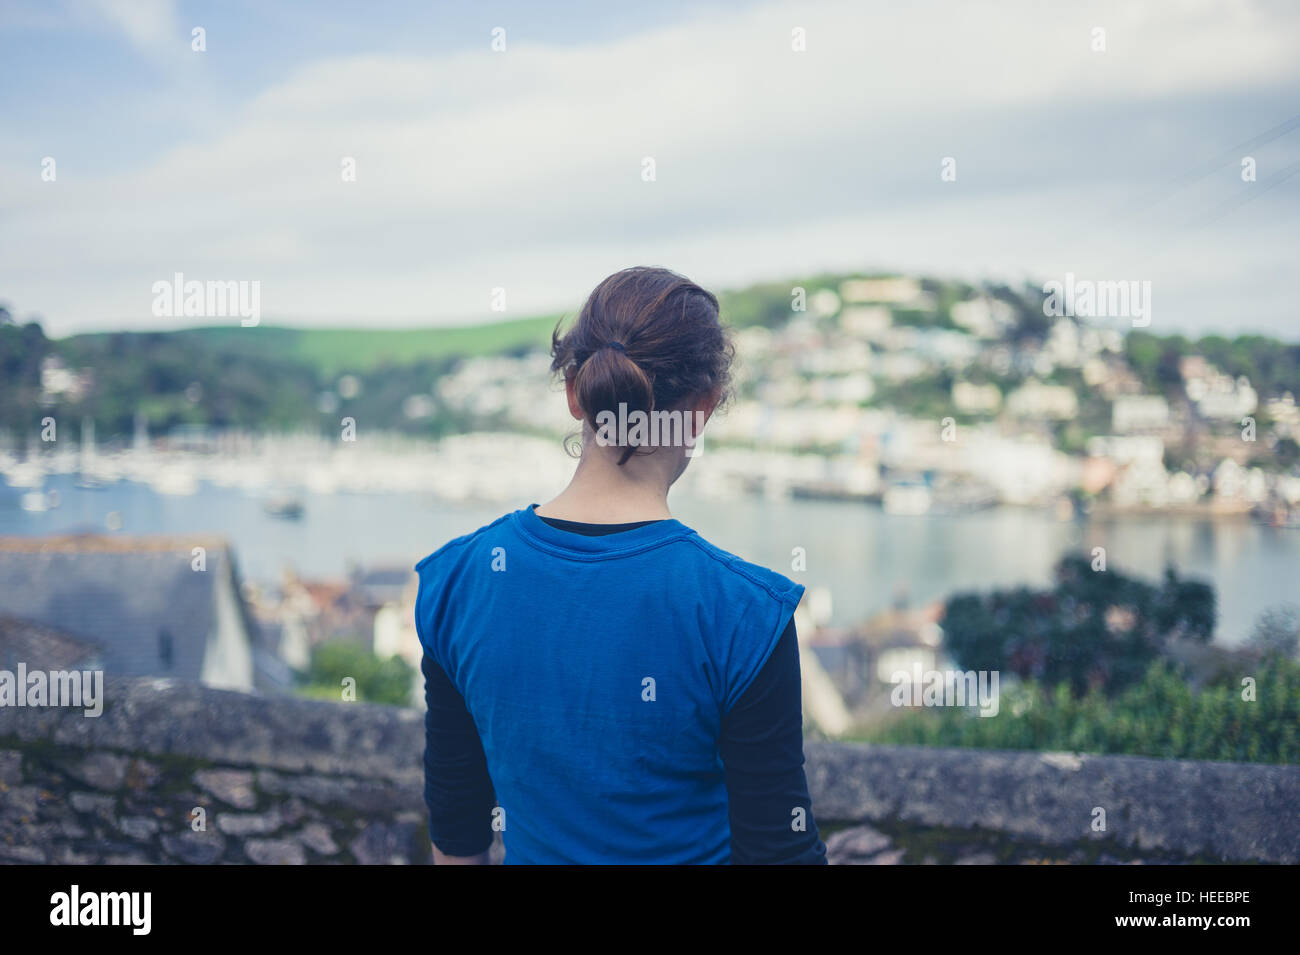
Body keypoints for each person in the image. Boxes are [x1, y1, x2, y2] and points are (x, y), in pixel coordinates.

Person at [415, 266, 826, 864]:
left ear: (574, 392)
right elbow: (778, 852)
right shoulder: (745, 614)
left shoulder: (455, 582)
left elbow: (456, 833)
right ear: (703, 408)